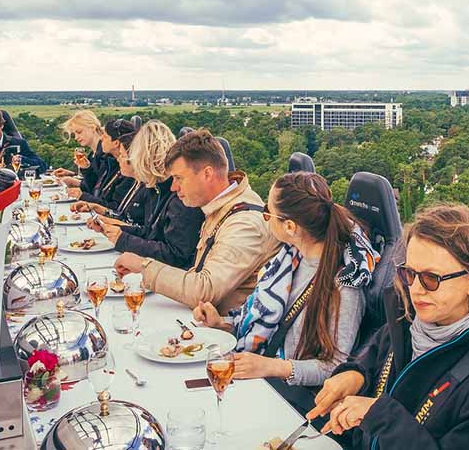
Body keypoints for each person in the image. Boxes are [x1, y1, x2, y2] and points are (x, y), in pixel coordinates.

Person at [306, 204, 469, 449]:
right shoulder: (406, 322)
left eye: (431, 279)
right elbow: (370, 363)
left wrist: (382, 417)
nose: (415, 289)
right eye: (409, 274)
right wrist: (354, 376)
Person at [194, 172, 379, 388]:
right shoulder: (290, 258)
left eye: (267, 213)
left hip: (289, 396)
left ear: (290, 227)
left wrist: (272, 366)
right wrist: (223, 323)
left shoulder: (344, 284)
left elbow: (335, 367)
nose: (265, 217)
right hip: (262, 377)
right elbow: (266, 322)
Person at [114, 128, 280, 313]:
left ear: (207, 174)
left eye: (178, 178)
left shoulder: (244, 223)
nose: (174, 187)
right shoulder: (219, 207)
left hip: (230, 334)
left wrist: (143, 267)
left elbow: (204, 291)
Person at [88, 120, 204, 269]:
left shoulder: (180, 197)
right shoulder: (156, 189)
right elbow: (150, 233)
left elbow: (176, 256)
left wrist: (124, 240)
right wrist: (116, 230)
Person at [64, 119, 136, 204]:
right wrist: (86, 169)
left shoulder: (128, 171)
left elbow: (115, 209)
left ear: (116, 143)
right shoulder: (109, 160)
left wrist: (83, 196)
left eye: (105, 136)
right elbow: (96, 189)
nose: (101, 138)